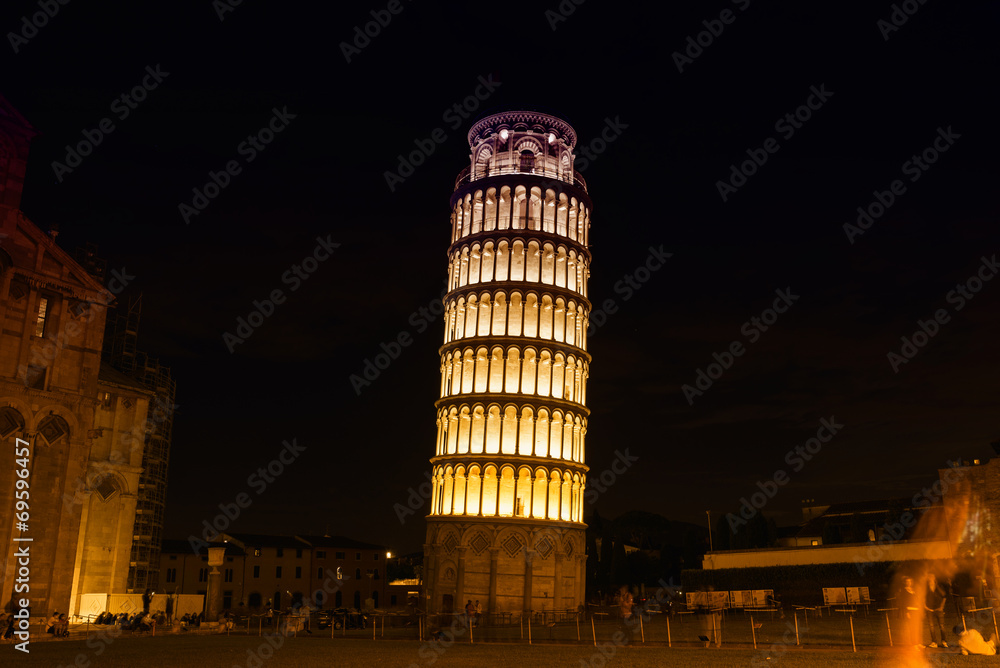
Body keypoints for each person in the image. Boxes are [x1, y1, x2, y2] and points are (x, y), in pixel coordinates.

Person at [925, 573, 948, 648]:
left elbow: (944, 596)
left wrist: (941, 607)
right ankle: (934, 642)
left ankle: (944, 641)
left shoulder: (939, 586)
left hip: (938, 609)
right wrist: (925, 607)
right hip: (929, 609)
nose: (931, 578)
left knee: (942, 626)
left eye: (932, 576)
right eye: (929, 576)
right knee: (931, 626)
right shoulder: (926, 587)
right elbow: (923, 597)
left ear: (934, 578)